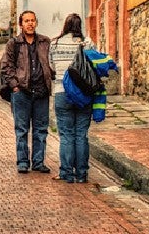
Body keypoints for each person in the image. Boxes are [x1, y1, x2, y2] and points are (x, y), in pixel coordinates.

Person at [0, 10, 54, 173]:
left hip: (41, 92)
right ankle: (22, 161)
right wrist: (15, 86)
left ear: (36, 22)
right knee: (22, 129)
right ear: (21, 24)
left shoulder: (45, 41)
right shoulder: (14, 43)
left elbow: (51, 62)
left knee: (41, 129)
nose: (30, 24)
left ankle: (38, 162)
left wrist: (49, 77)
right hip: (22, 92)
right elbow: (6, 66)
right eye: (27, 21)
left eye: (32, 21)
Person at [49, 13, 96, 182]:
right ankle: (82, 174)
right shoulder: (87, 43)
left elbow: (52, 67)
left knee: (66, 135)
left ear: (65, 25)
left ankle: (66, 173)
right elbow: (94, 65)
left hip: (62, 92)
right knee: (81, 134)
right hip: (83, 94)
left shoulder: (54, 44)